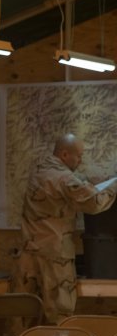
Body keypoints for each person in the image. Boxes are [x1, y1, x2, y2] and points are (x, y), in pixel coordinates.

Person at [14, 134, 117, 324]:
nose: (80, 160)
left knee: (22, 316)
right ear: (64, 154)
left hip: (28, 255)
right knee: (59, 318)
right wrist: (113, 187)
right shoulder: (64, 179)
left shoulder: (39, 170)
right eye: (79, 156)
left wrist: (88, 180)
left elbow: (67, 183)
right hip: (55, 258)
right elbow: (95, 203)